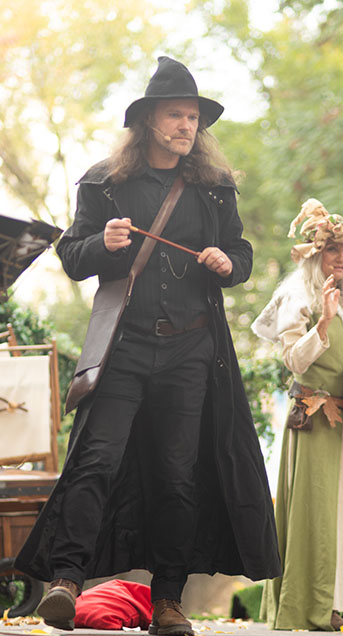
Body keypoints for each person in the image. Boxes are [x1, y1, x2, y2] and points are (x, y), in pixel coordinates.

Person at [15, 56, 281, 633]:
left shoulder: (214, 190)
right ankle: (65, 580)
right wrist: (104, 244)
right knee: (95, 460)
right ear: (148, 120)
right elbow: (72, 257)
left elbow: (242, 254)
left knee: (177, 476)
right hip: (124, 347)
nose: (186, 126)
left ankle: (167, 601)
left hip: (191, 351)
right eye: (176, 115)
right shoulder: (105, 183)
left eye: (193, 117)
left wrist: (227, 262)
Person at [252, 198, 343, 631]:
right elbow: (294, 360)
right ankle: (311, 606)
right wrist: (322, 323)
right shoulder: (298, 297)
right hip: (312, 420)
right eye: (332, 250)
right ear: (315, 255)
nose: (341, 258)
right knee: (317, 514)